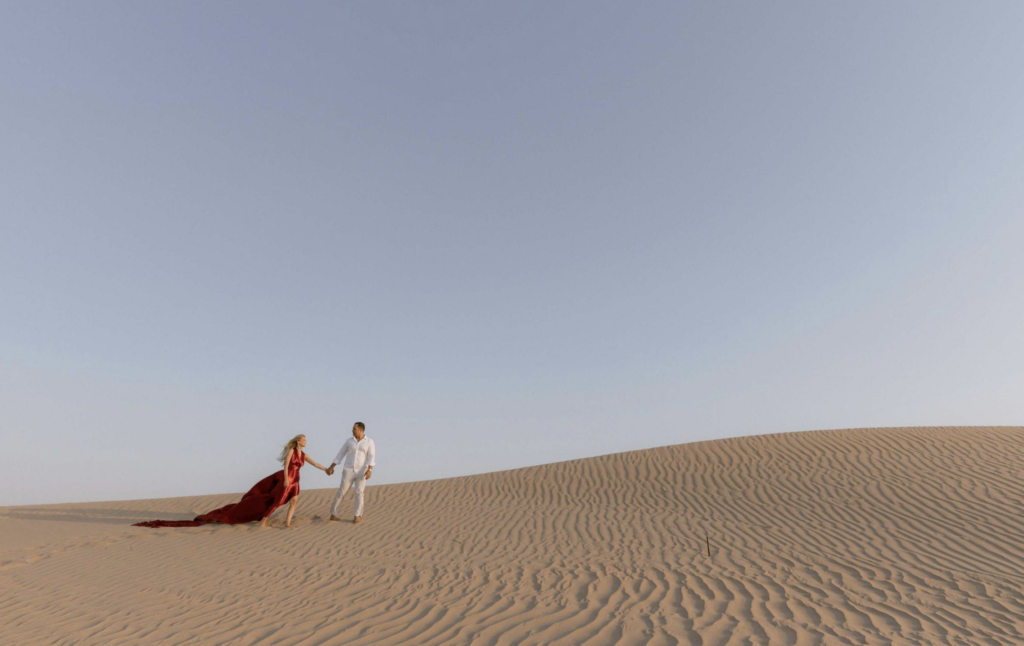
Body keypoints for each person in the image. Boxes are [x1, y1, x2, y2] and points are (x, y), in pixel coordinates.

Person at [133, 434, 331, 529]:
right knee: (277, 501)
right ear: (298, 441)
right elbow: (286, 466)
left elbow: (315, 463)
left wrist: (327, 469)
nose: (306, 441)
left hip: (297, 481)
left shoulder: (303, 455)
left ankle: (287, 523)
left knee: (294, 501)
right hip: (288, 479)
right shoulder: (291, 452)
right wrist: (286, 479)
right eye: (304, 439)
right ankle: (263, 521)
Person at [326, 422, 376, 523]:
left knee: (359, 492)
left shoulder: (369, 441)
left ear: (360, 430)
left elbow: (371, 457)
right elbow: (340, 454)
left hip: (362, 471)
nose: (352, 430)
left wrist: (370, 470)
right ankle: (333, 515)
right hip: (348, 470)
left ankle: (357, 516)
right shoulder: (349, 441)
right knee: (341, 492)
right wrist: (331, 467)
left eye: (354, 429)